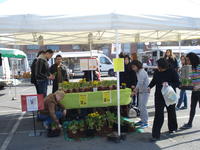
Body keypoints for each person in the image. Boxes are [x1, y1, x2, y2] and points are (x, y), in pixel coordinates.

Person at [148, 58, 180, 141]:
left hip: (169, 95)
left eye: (159, 67)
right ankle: (155, 135)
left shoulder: (172, 71)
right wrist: (149, 87)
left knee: (171, 112)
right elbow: (154, 80)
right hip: (159, 95)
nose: (158, 68)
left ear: (164, 66)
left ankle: (172, 128)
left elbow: (178, 83)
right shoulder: (157, 71)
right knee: (158, 114)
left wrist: (169, 83)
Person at [180, 53, 200, 129]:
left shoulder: (199, 66)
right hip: (195, 91)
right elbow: (193, 79)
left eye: (188, 60)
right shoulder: (192, 67)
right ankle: (189, 123)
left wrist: (198, 86)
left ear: (192, 59)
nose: (187, 61)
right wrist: (185, 84)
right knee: (192, 107)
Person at [131, 60, 149, 128]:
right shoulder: (138, 72)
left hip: (145, 91)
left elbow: (140, 83)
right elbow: (139, 83)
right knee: (140, 106)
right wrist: (136, 90)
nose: (133, 69)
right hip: (141, 91)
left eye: (134, 67)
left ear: (137, 66)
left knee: (143, 106)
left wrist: (135, 91)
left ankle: (145, 122)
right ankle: (142, 120)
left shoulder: (141, 72)